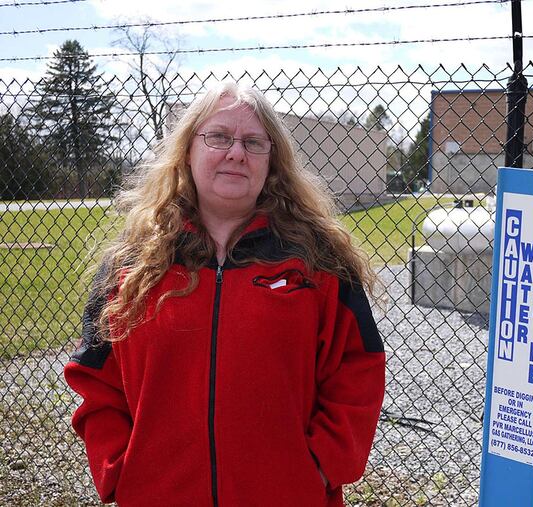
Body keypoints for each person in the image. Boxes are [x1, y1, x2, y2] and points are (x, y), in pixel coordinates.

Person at [64, 82, 386, 507]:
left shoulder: (317, 260)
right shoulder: (132, 264)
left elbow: (357, 368)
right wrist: (122, 469)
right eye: (218, 137)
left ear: (272, 162)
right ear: (187, 151)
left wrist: (317, 467)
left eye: (254, 142)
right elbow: (95, 379)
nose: (236, 152)